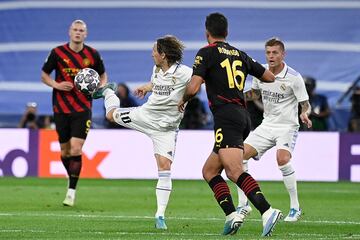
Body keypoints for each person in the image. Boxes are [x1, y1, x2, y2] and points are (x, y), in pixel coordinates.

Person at [178, 13, 282, 237]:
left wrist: (182, 100)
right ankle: (231, 215)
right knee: (209, 171)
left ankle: (267, 210)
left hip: (226, 117)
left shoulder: (206, 53)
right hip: (242, 115)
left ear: (207, 33)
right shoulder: (240, 54)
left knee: (234, 171)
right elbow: (269, 77)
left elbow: (194, 87)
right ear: (227, 32)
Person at [92, 35, 192, 230]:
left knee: (164, 168)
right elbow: (157, 83)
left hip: (167, 129)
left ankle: (160, 216)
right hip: (145, 116)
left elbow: (200, 82)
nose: (152, 54)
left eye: (155, 50)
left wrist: (186, 97)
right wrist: (147, 87)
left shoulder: (185, 73)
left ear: (163, 55)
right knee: (111, 115)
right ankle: (108, 92)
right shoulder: (157, 69)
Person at [237, 37, 312, 222]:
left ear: (283, 54)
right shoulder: (261, 72)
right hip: (267, 125)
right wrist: (236, 95)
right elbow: (255, 93)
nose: (271, 56)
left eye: (275, 52)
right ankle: (244, 205)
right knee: (238, 158)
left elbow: (305, 104)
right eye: (268, 52)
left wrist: (304, 114)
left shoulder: (294, 77)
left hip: (287, 126)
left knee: (282, 159)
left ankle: (295, 207)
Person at [41, 19, 107, 207]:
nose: (78, 33)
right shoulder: (58, 53)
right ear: (69, 32)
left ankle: (71, 191)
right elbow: (44, 74)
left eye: (81, 30)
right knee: (65, 151)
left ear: (86, 34)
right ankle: (71, 178)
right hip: (61, 108)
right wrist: (56, 84)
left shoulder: (93, 54)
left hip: (82, 108)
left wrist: (99, 88)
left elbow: (103, 75)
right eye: (75, 30)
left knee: (76, 149)